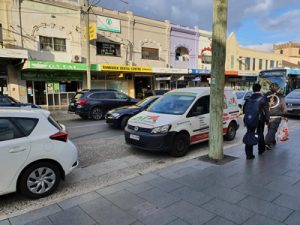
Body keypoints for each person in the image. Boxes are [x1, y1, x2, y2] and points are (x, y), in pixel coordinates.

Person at [243, 83, 270, 160]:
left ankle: (249, 154)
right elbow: (266, 110)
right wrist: (267, 120)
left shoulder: (248, 98)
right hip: (260, 119)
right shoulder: (263, 98)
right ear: (260, 89)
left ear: (253, 89)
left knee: (250, 134)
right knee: (260, 133)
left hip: (250, 119)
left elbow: (244, 110)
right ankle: (261, 150)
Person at [265, 83, 287, 150]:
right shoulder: (280, 96)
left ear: (270, 88)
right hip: (276, 117)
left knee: (270, 129)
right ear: (277, 88)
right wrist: (285, 115)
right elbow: (284, 107)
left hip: (267, 116)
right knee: (272, 129)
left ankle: (272, 141)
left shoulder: (266, 95)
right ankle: (266, 143)